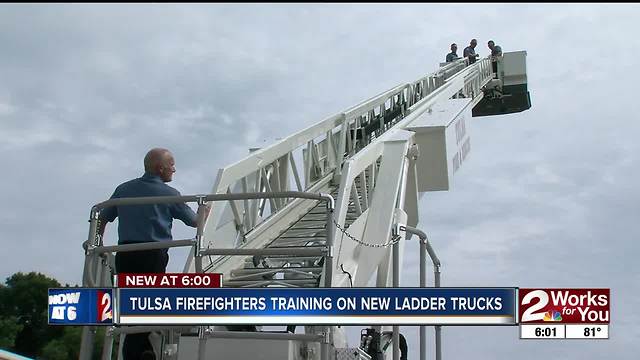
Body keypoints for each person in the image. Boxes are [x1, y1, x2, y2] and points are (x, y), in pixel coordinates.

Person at [98, 148, 208, 360]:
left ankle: (141, 351)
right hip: (153, 256)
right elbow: (195, 222)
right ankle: (137, 353)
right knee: (146, 305)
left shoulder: (124, 189)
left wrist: (97, 243)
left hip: (125, 255)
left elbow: (101, 217)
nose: (174, 169)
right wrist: (205, 210)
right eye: (171, 164)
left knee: (130, 306)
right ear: (160, 168)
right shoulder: (170, 194)